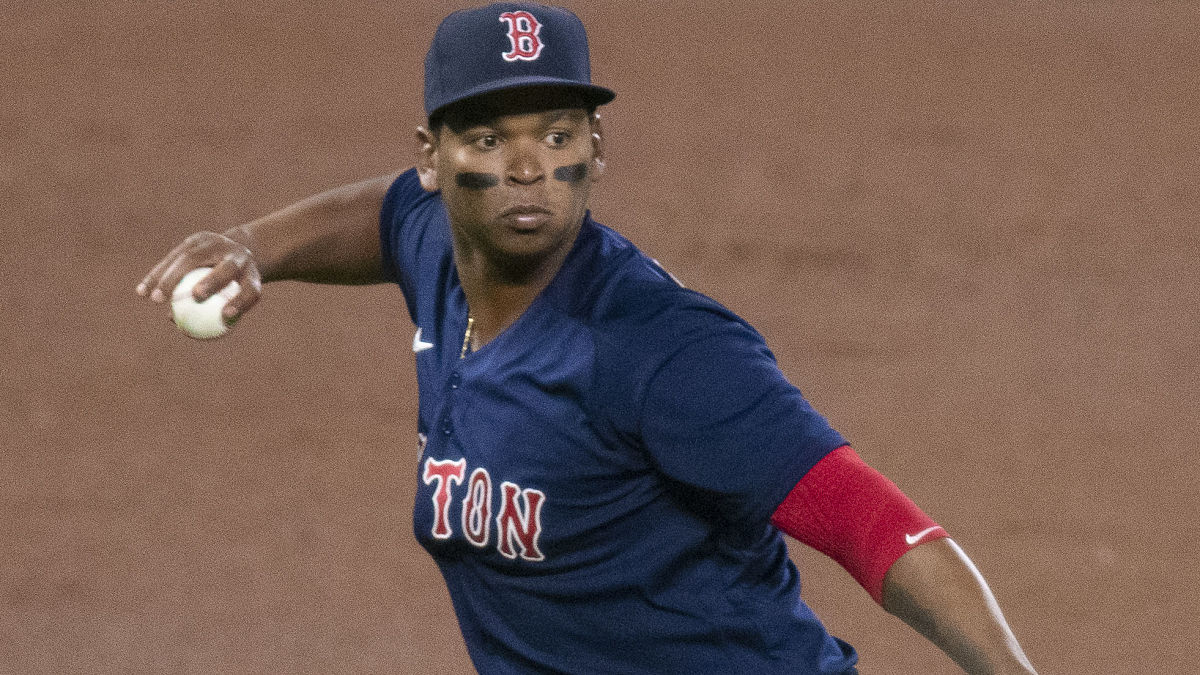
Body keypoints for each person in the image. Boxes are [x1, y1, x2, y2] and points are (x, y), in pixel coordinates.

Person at [137, 3, 1037, 673]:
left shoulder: (657, 348)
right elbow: (381, 216)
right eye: (489, 137)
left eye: (557, 134)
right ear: (433, 157)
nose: (528, 170)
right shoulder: (439, 248)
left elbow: (874, 524)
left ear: (596, 148)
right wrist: (256, 245)